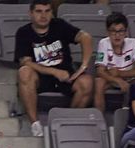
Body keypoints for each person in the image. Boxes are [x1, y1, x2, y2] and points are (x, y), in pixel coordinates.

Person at [16, 0, 96, 139]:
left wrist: (83, 66)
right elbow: (26, 62)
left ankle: (68, 124)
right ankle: (35, 125)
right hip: (41, 77)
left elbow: (86, 37)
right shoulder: (23, 32)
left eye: (47, 11)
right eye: (39, 11)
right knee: (24, 72)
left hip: (66, 75)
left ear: (52, 13)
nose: (43, 15)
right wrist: (54, 72)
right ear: (31, 13)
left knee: (87, 82)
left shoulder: (59, 25)